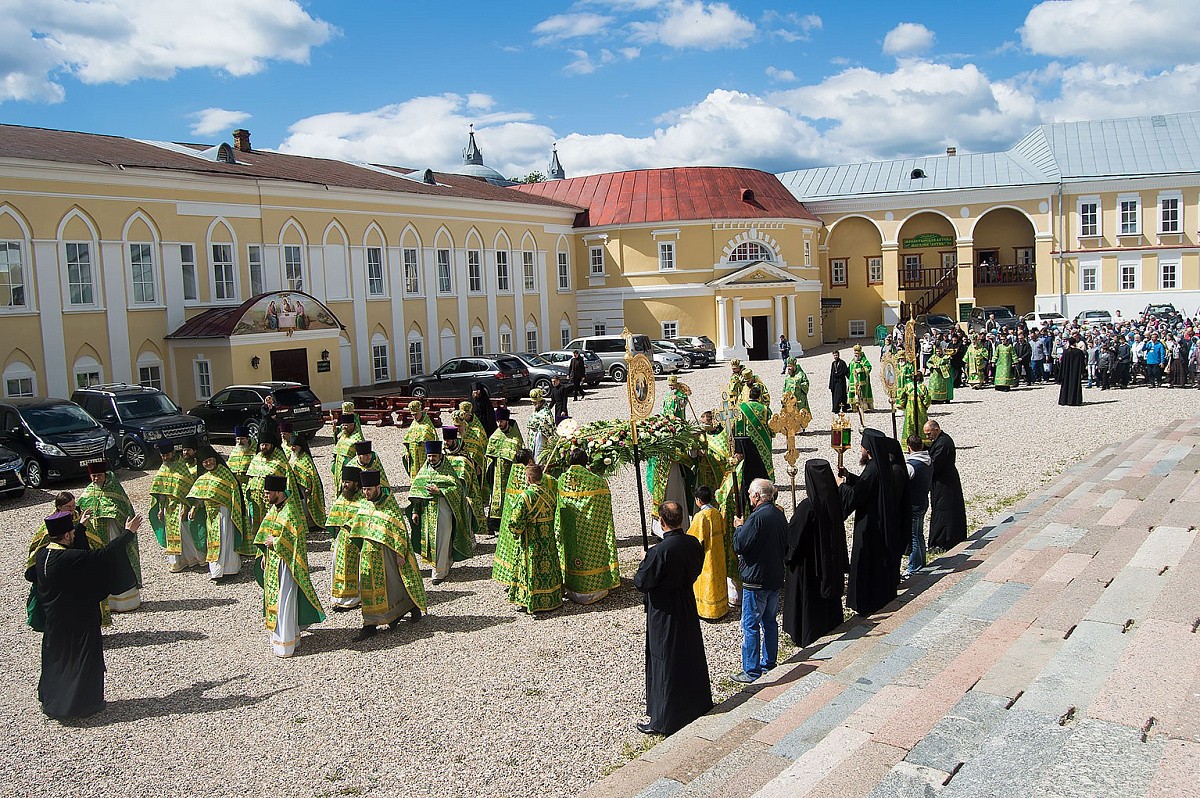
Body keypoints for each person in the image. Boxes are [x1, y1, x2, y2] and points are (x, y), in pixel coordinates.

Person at [26, 510, 142, 720]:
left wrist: (80, 528)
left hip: (55, 621)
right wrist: (128, 533)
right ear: (66, 535)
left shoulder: (43, 555)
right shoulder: (69, 558)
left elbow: (74, 556)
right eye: (71, 532)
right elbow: (104, 555)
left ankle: (53, 702)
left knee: (58, 662)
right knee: (82, 662)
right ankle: (82, 705)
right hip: (79, 620)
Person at [633, 500, 712, 735]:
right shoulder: (693, 543)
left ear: (662, 521)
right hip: (686, 605)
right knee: (689, 654)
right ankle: (696, 704)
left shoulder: (659, 552)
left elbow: (642, 582)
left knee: (664, 659)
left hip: (664, 611)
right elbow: (696, 569)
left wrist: (645, 561)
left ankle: (662, 719)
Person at [837, 429, 909, 617]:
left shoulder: (872, 468)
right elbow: (866, 485)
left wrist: (841, 485)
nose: (860, 451)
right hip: (881, 520)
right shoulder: (881, 465)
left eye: (862, 448)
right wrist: (850, 477)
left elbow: (857, 496)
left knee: (866, 561)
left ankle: (866, 602)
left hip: (870, 524)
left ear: (868, 449)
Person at [348, 469, 426, 639]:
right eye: (364, 489)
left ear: (378, 487)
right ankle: (370, 624)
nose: (366, 493)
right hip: (368, 555)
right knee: (368, 589)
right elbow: (358, 526)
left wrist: (400, 553)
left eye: (369, 489)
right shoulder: (365, 504)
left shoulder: (389, 506)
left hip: (386, 553)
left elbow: (399, 530)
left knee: (394, 584)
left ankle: (411, 606)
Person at [254, 473, 324, 657]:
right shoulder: (275, 509)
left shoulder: (290, 512)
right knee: (275, 599)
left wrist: (276, 542)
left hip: (286, 564)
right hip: (274, 563)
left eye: (268, 493)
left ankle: (285, 644)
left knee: (285, 600)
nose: (265, 496)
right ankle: (288, 637)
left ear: (278, 492)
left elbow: (296, 539)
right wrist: (264, 553)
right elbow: (266, 532)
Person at [782, 460, 848, 647]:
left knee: (808, 604)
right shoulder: (834, 501)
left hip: (808, 565)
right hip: (828, 563)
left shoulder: (808, 506)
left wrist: (788, 556)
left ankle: (805, 635)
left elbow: (794, 539)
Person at [730, 478, 787, 683]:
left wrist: (739, 527)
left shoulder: (756, 518)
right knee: (770, 622)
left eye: (750, 495)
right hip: (774, 577)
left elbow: (739, 545)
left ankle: (751, 670)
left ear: (756, 496)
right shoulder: (778, 514)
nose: (749, 498)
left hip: (756, 580)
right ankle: (769, 662)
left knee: (750, 625)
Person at [554, 448, 620, 604]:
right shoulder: (597, 482)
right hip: (590, 531)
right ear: (586, 462)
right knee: (592, 552)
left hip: (570, 530)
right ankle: (594, 588)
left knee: (571, 554)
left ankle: (572, 587)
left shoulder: (561, 480)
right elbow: (604, 510)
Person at [78, 463, 141, 612]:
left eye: (99, 475)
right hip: (97, 537)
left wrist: (113, 517)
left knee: (119, 564)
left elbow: (125, 512)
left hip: (114, 534)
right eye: (93, 476)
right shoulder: (88, 492)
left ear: (105, 474)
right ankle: (108, 602)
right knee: (102, 567)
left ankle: (125, 602)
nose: (96, 479)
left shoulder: (115, 489)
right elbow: (80, 511)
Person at [409, 439, 474, 584]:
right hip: (427, 512)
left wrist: (440, 491)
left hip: (444, 510)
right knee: (434, 541)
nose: (431, 459)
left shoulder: (448, 471)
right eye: (429, 456)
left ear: (440, 456)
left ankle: (438, 572)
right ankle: (445, 563)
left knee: (443, 539)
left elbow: (457, 489)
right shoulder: (424, 471)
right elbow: (416, 493)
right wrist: (415, 511)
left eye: (434, 456)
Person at [507, 463, 564, 613]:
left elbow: (515, 521)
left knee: (531, 566)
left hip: (532, 539)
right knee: (548, 566)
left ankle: (531, 601)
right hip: (548, 539)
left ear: (529, 478)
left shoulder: (526, 496)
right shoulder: (550, 493)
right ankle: (552, 599)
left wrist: (515, 531)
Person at [187, 445, 249, 581]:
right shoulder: (203, 477)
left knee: (225, 541)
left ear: (215, 459)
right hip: (210, 515)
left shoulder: (225, 474)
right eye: (205, 462)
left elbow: (235, 495)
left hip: (224, 513)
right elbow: (199, 496)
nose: (208, 463)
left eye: (210, 460)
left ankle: (230, 569)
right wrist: (194, 508)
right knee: (213, 543)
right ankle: (216, 572)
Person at [148, 442, 204, 572]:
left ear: (173, 453)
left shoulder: (182, 467)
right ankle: (178, 562)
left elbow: (188, 490)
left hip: (181, 505)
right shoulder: (163, 469)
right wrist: (161, 509)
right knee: (171, 534)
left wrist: (186, 508)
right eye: (163, 456)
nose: (165, 458)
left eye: (167, 455)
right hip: (168, 507)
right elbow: (160, 493)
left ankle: (196, 558)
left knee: (185, 532)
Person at [685, 484, 734, 621]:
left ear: (698, 500)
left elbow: (693, 537)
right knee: (718, 579)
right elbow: (723, 530)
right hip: (718, 552)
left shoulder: (701, 516)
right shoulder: (716, 512)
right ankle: (721, 608)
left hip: (706, 555)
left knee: (707, 581)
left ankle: (708, 611)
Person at [492, 448, 535, 587]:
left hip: (510, 518)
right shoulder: (528, 475)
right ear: (530, 461)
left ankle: (509, 577)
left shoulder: (513, 472)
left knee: (509, 548)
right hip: (523, 520)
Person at [924, 420, 968, 551]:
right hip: (941, 481)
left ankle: (943, 541)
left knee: (944, 510)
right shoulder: (939, 441)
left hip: (945, 483)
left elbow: (935, 463)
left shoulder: (944, 443)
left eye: (929, 433)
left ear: (936, 429)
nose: (928, 437)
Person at [327, 465, 366, 611]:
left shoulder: (363, 501)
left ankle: (353, 599)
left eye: (347, 482)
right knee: (339, 568)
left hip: (356, 542)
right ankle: (340, 597)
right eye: (343, 482)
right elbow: (333, 521)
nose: (344, 485)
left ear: (356, 483)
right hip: (341, 540)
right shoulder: (341, 498)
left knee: (354, 570)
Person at [246, 422, 291, 537]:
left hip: (271, 498)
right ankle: (258, 540)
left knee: (270, 521)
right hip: (256, 498)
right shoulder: (257, 457)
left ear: (272, 445)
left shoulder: (279, 459)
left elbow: (287, 481)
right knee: (255, 521)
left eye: (266, 445)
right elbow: (251, 476)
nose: (263, 447)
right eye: (262, 445)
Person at [486, 407, 524, 532]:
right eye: (497, 422)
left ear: (507, 421)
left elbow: (519, 450)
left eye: (501, 421)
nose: (499, 424)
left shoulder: (515, 435)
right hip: (497, 471)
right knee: (496, 496)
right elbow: (490, 452)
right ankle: (494, 523)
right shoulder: (496, 435)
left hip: (511, 472)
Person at [904, 434, 933, 576]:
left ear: (908, 447)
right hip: (923, 501)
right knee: (919, 534)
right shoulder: (928, 461)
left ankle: (914, 567)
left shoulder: (911, 466)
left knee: (913, 536)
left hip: (913, 504)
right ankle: (921, 562)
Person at [734, 386, 775, 482]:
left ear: (749, 395)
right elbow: (771, 426)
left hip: (745, 441)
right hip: (763, 440)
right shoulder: (765, 409)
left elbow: (736, 424)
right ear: (759, 396)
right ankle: (766, 481)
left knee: (748, 461)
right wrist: (772, 434)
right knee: (764, 460)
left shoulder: (741, 408)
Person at [288, 433, 326, 530]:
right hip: (295, 485)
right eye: (291, 446)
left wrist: (309, 487)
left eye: (294, 446)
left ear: (300, 446)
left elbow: (310, 474)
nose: (292, 448)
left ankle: (311, 524)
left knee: (306, 505)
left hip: (304, 487)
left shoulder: (305, 458)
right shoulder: (292, 456)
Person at [402, 400, 438, 479]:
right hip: (413, 454)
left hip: (424, 454)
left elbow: (434, 441)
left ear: (420, 411)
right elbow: (407, 440)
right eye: (412, 415)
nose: (414, 417)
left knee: (425, 474)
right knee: (414, 475)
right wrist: (406, 451)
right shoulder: (413, 424)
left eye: (416, 414)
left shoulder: (428, 425)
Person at [894, 370, 931, 443]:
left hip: (909, 408)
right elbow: (927, 399)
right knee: (921, 424)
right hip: (920, 409)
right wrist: (925, 406)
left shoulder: (908, 386)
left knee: (909, 424)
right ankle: (923, 442)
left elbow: (901, 397)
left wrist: (903, 406)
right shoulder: (923, 387)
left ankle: (909, 443)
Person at [331, 413, 363, 487]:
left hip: (349, 467)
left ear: (352, 425)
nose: (344, 428)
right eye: (343, 425)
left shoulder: (357, 438)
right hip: (338, 465)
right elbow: (337, 445)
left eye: (346, 425)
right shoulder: (343, 435)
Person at [527, 389, 556, 461]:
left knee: (539, 458)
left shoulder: (546, 412)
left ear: (540, 401)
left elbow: (550, 427)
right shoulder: (537, 409)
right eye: (532, 402)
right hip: (533, 437)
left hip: (541, 438)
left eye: (534, 402)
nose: (533, 404)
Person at [781, 358, 811, 422]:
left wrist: (799, 385)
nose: (789, 369)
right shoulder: (788, 376)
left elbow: (806, 385)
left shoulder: (801, 375)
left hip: (799, 400)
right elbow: (785, 386)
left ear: (794, 366)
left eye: (790, 367)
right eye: (788, 367)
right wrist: (783, 396)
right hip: (789, 401)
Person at [1058, 336, 1086, 406]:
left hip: (1066, 372)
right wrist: (1082, 371)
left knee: (1066, 385)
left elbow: (1063, 364)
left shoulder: (1066, 352)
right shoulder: (1079, 352)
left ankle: (1065, 400)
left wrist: (1061, 373)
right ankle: (1075, 401)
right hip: (1076, 372)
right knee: (1075, 385)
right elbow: (1082, 363)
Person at [847, 344, 874, 410]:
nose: (856, 355)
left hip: (862, 381)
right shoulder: (853, 361)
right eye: (855, 354)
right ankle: (854, 407)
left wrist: (861, 370)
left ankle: (863, 407)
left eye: (857, 354)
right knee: (854, 392)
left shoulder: (864, 360)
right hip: (853, 380)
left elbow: (869, 367)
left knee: (862, 393)